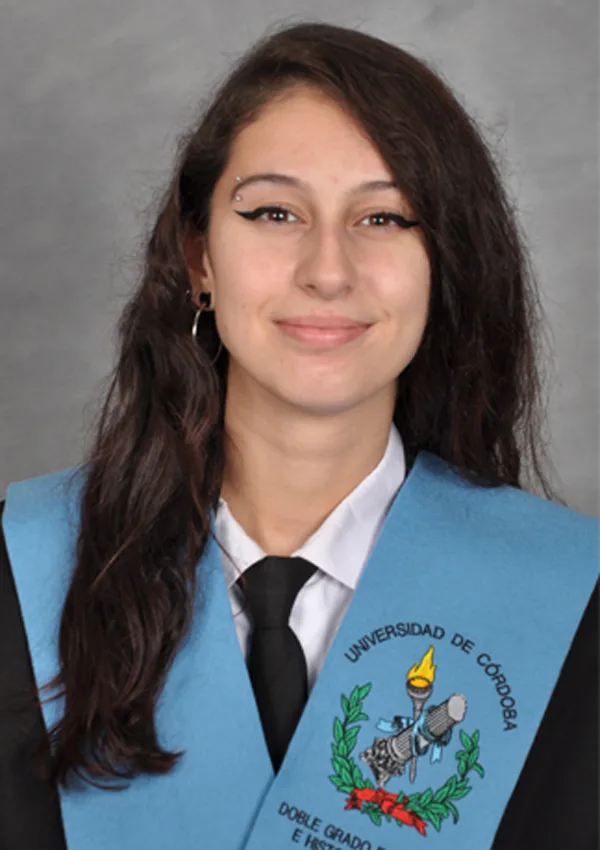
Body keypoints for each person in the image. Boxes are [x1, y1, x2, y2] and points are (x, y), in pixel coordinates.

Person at [0, 20, 597, 850]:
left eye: (384, 218)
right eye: (275, 212)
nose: (328, 270)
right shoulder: (22, 577)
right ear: (200, 259)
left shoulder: (573, 607)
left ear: (445, 264)